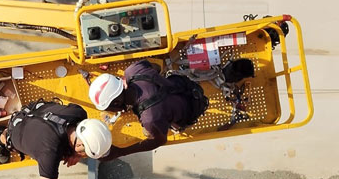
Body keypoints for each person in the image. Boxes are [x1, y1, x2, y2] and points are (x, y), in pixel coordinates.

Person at [89, 59, 253, 160]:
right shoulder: (133, 70)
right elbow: (156, 67)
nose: (110, 111)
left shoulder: (149, 118)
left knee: (149, 132)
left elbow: (159, 141)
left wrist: (121, 152)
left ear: (117, 101)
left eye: (109, 107)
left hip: (191, 109)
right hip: (185, 86)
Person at [0, 100, 112, 179]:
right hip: (18, 128)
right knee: (9, 139)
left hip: (36, 110)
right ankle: (1, 138)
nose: (84, 156)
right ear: (79, 144)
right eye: (85, 154)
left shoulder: (79, 113)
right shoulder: (50, 149)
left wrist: (76, 153)